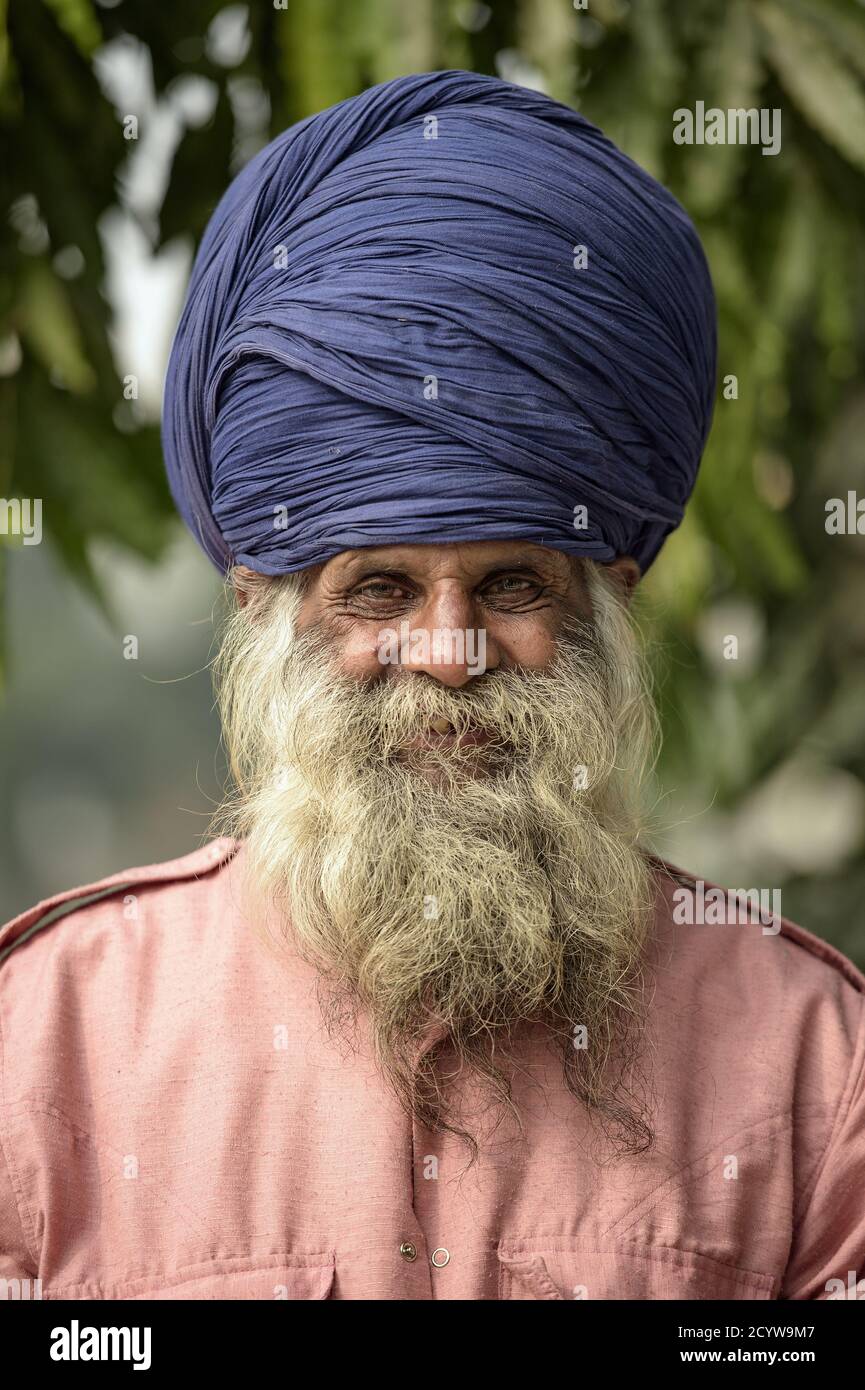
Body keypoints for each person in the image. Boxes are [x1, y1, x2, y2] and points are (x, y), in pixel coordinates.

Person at [1, 71, 863, 1302]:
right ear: (265, 606)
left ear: (609, 599)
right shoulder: (46, 1045)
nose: (447, 654)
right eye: (380, 591)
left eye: (511, 585)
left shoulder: (807, 1064)